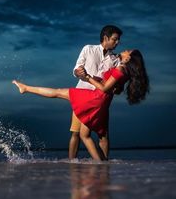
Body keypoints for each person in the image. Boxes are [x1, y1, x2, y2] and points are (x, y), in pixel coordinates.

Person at [12, 49, 149, 161]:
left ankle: (26, 88)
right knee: (87, 134)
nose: (124, 50)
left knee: (58, 93)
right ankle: (103, 163)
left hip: (95, 98)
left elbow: (105, 88)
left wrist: (87, 78)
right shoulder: (124, 70)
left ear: (128, 58)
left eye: (127, 51)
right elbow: (115, 89)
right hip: (102, 100)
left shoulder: (121, 69)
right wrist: (98, 79)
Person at [70, 25, 123, 160]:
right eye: (115, 39)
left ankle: (104, 166)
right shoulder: (88, 49)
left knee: (103, 134)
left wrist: (116, 88)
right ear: (105, 38)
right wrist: (78, 71)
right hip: (82, 96)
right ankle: (71, 164)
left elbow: (117, 83)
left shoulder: (116, 59)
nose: (118, 42)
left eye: (118, 40)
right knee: (76, 133)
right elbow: (76, 69)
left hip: (101, 100)